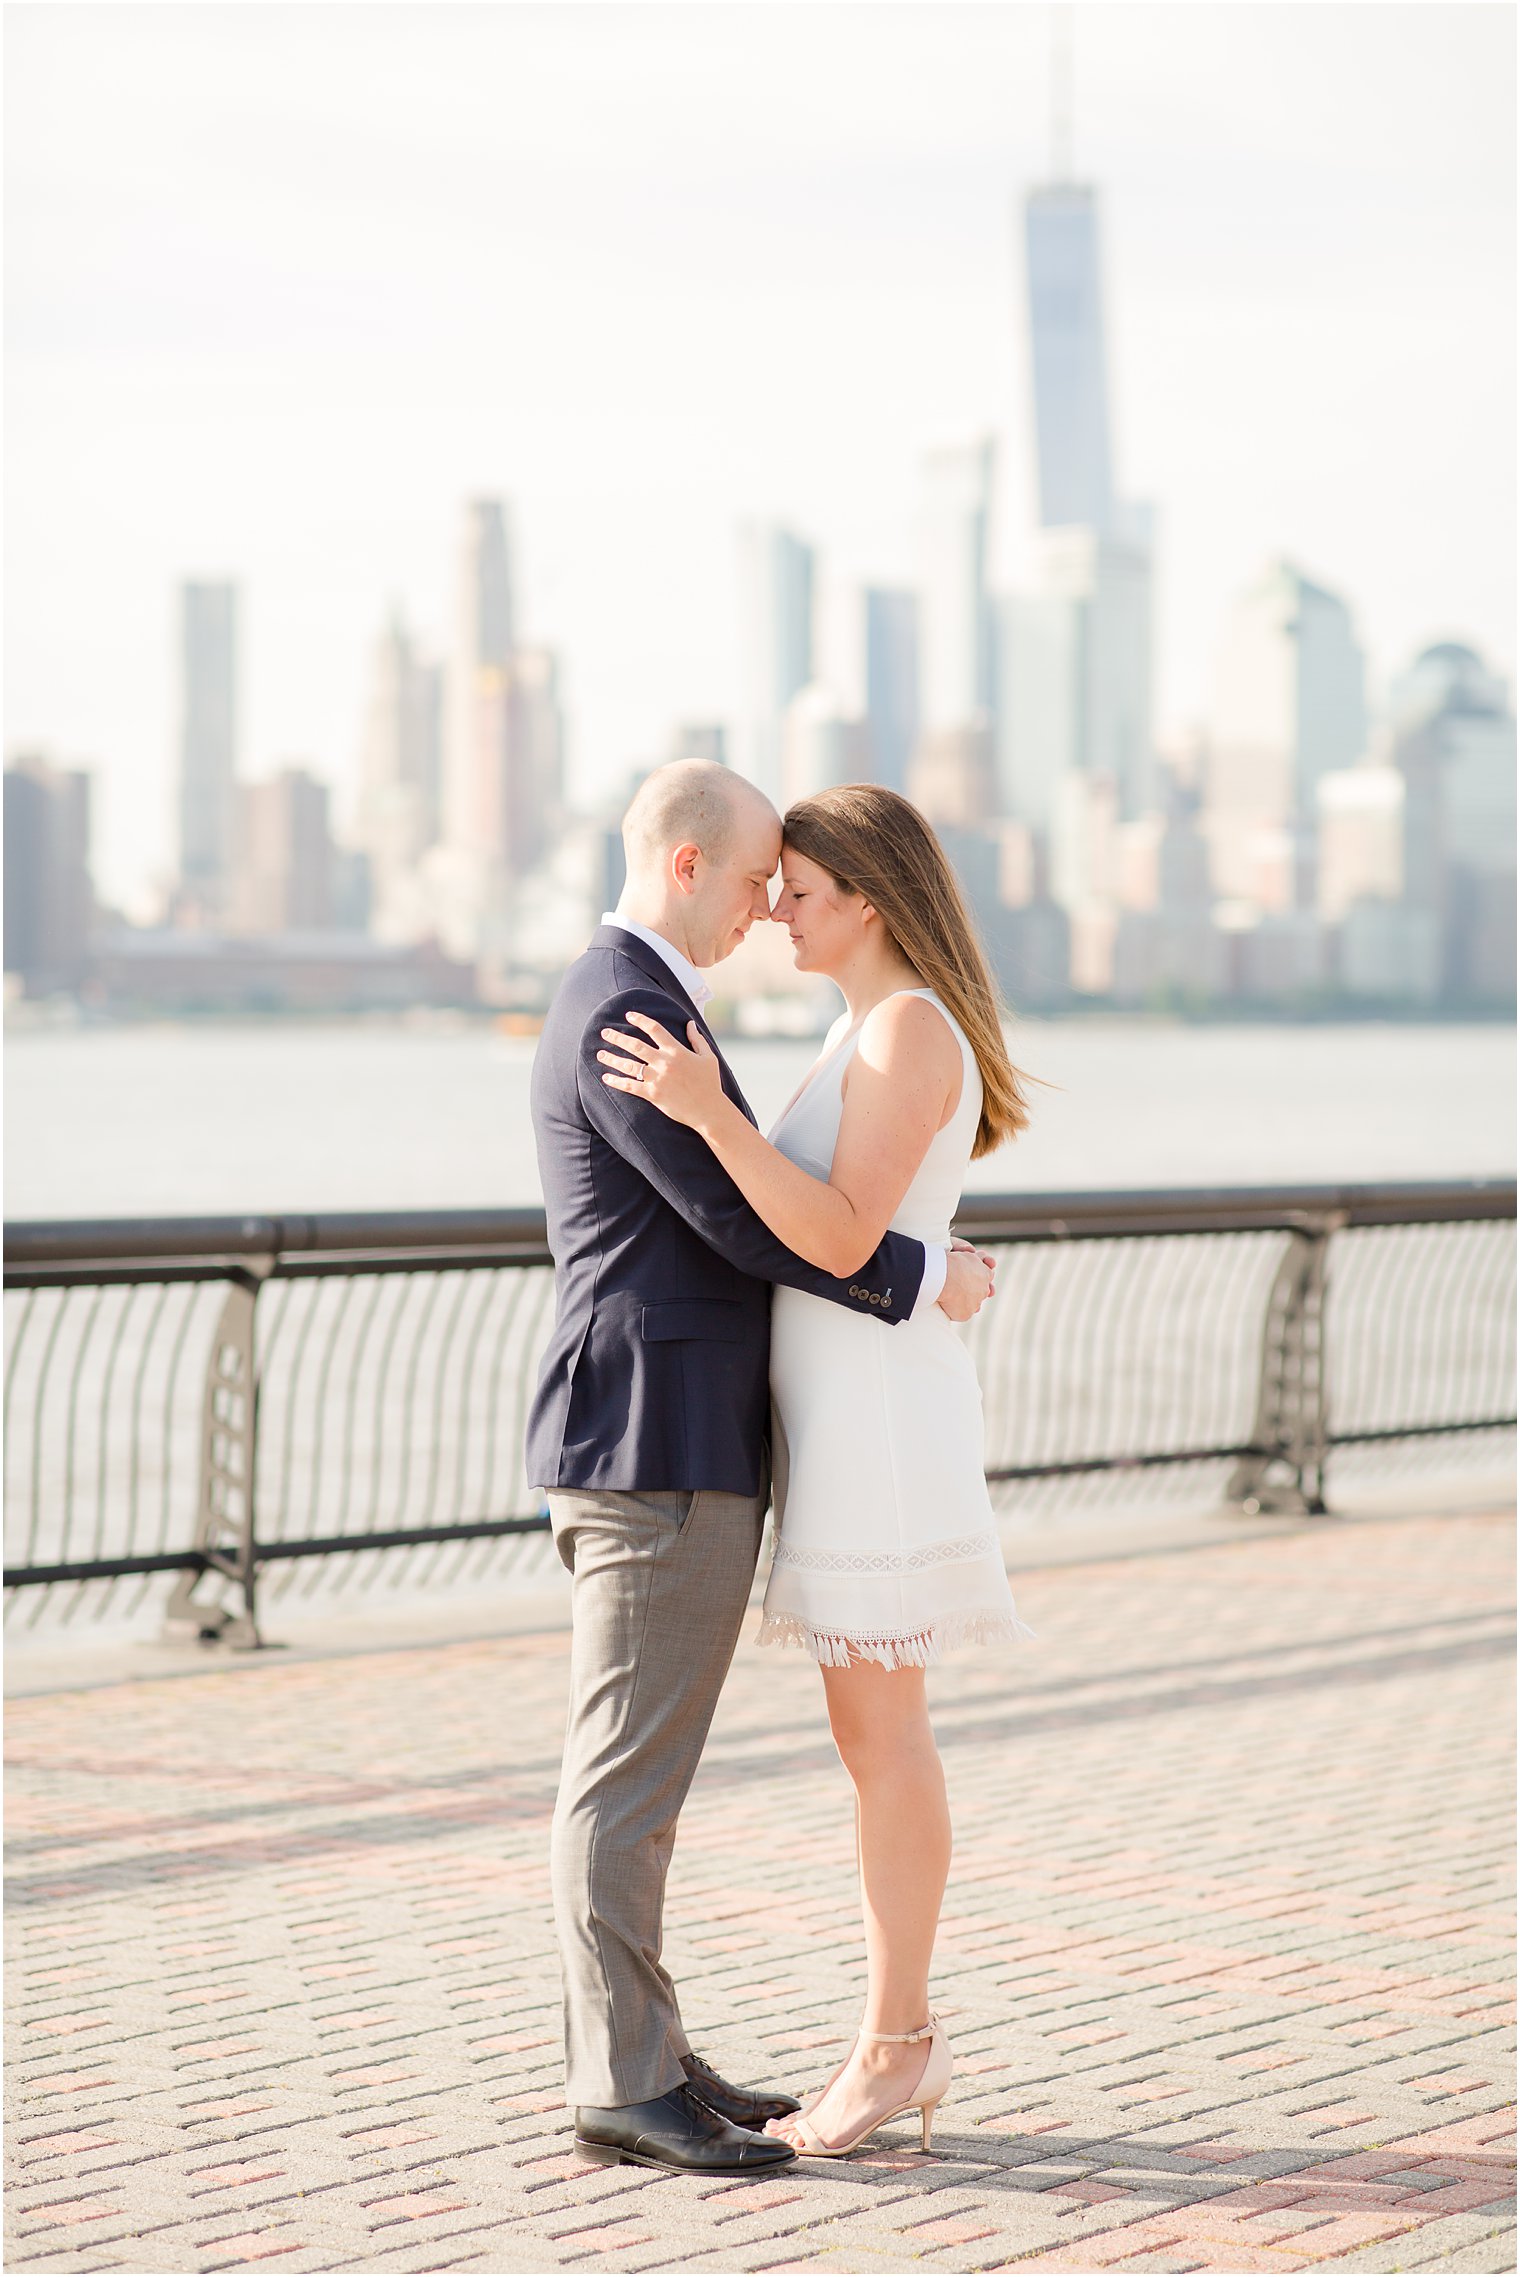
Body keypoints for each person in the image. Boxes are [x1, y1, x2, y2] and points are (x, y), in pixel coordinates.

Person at [526, 760, 997, 2176]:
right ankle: (634, 2072)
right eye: (755, 883)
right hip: (657, 1434)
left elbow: (793, 1212)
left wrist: (904, 1264)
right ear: (688, 867)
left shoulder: (802, 1020)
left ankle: (699, 2056)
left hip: (742, 1433)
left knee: (813, 1747)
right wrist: (921, 1274)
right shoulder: (630, 1006)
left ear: (864, 897)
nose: (769, 909)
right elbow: (745, 1224)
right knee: (633, 1771)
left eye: (791, 889)